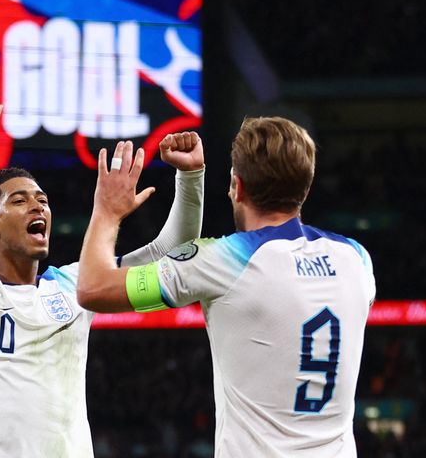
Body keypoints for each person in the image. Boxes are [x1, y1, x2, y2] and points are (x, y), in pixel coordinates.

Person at [0, 95, 206, 457]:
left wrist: (191, 176)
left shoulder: (79, 286)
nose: (38, 205)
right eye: (19, 201)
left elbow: (170, 256)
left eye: (42, 199)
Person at [77, 117, 376, 457]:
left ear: (238, 185)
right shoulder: (356, 260)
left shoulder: (224, 260)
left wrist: (107, 210)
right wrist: (190, 180)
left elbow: (92, 288)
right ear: (305, 186)